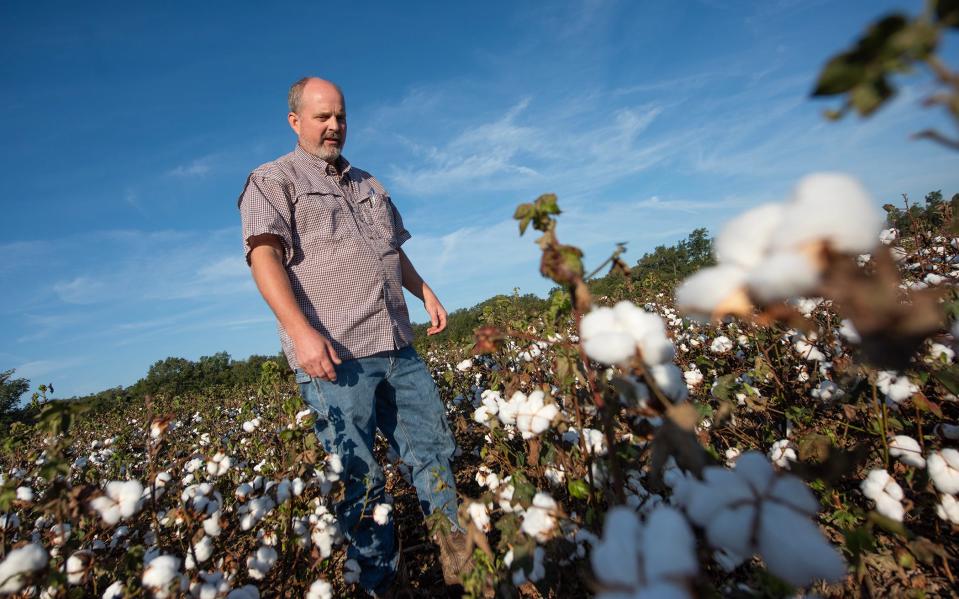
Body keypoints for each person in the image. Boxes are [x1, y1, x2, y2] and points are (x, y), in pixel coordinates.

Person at [238, 77, 469, 597]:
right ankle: (383, 586)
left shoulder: (369, 183)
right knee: (361, 477)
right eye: (322, 117)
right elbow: (263, 256)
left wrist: (424, 290)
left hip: (397, 345)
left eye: (340, 116)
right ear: (295, 121)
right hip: (336, 355)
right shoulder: (273, 180)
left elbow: (393, 249)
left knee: (432, 448)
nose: (335, 126)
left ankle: (461, 565)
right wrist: (301, 333)